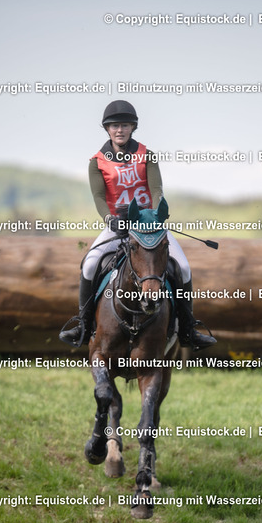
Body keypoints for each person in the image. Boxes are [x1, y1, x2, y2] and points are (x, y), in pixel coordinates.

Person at [59, 100, 216, 350]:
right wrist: (108, 218)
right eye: (114, 126)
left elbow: (156, 189)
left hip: (148, 225)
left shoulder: (147, 155)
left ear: (133, 127)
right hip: (117, 224)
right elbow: (99, 197)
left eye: (124, 125)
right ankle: (83, 324)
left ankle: (188, 329)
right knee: (89, 265)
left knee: (183, 268)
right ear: (107, 129)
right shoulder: (96, 162)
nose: (119, 130)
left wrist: (156, 213)